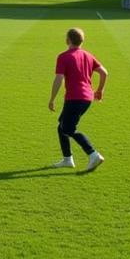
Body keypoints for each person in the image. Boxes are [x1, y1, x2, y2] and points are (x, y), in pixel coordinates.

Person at [49, 27, 107, 171]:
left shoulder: (64, 56)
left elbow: (59, 78)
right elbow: (104, 73)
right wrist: (99, 90)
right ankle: (68, 159)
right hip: (86, 98)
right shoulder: (88, 55)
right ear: (82, 41)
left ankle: (93, 154)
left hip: (74, 98)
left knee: (68, 128)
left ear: (67, 40)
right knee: (61, 127)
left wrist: (52, 99)